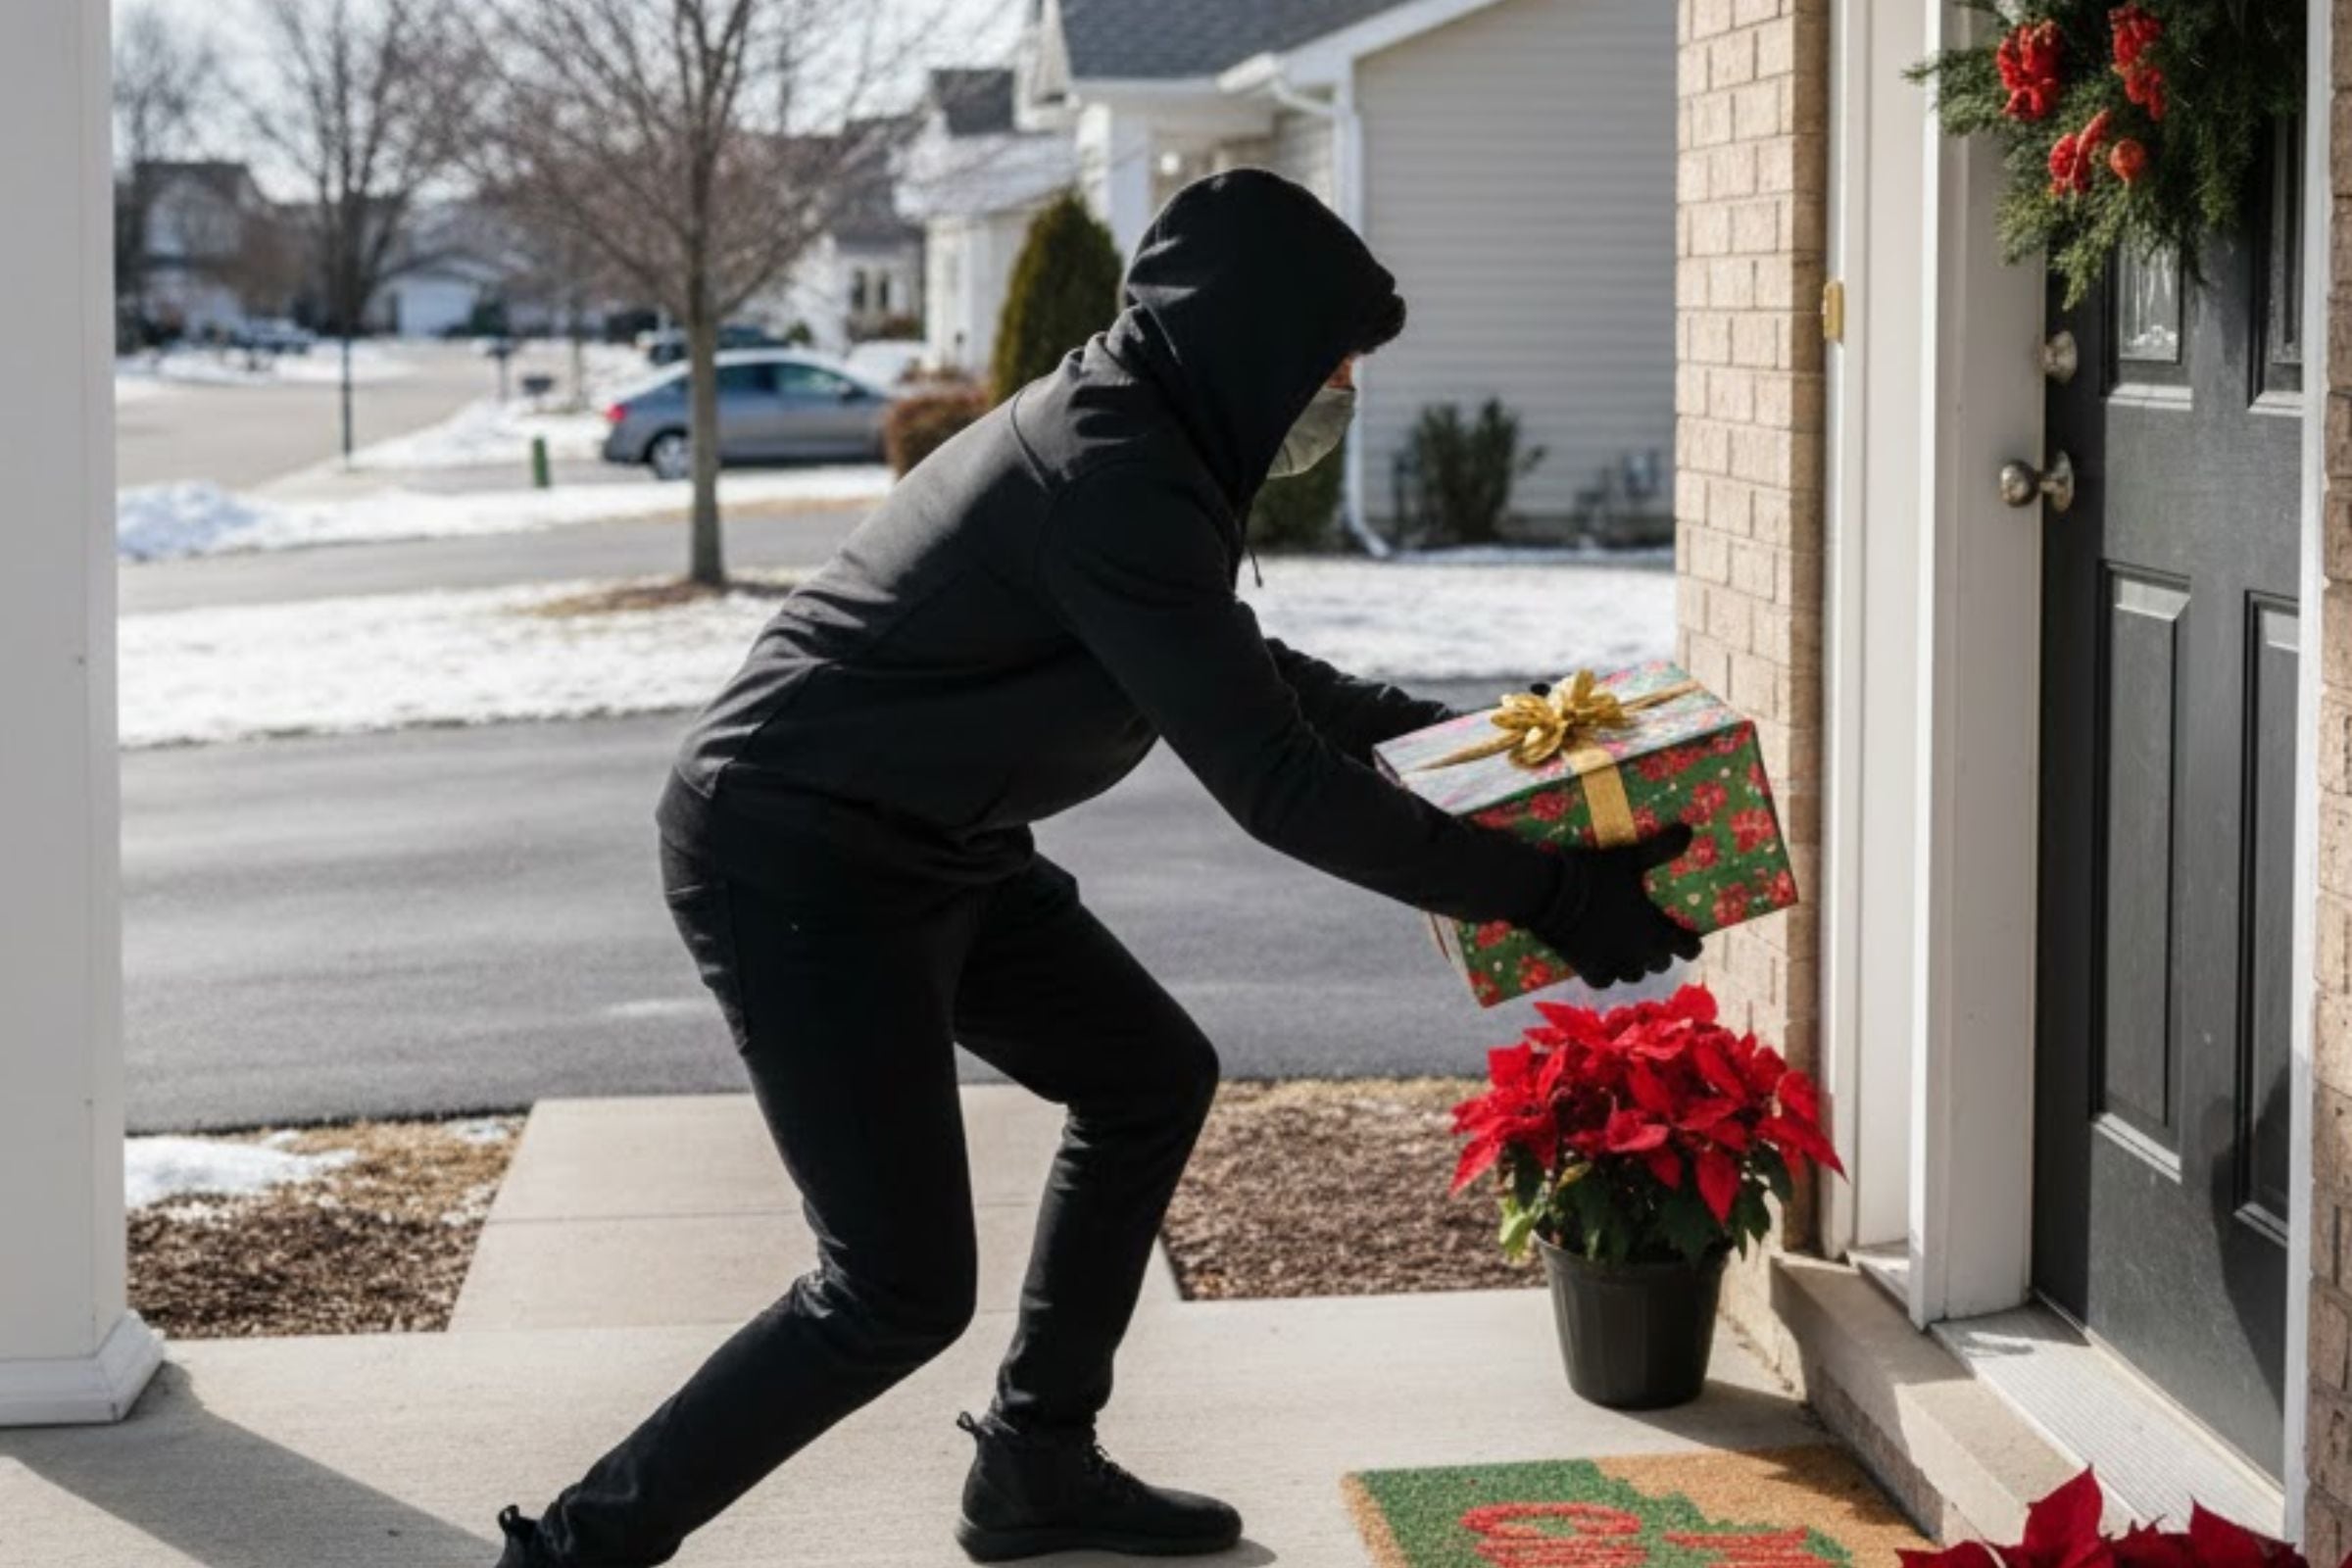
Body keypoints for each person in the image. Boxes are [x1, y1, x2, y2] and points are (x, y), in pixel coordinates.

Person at [492, 168, 1697, 1568]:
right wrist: (1549, 897)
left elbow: (1249, 672)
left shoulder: (1153, 441)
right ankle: (573, 1553)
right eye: (1333, 363)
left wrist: (1474, 741)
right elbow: (1276, 784)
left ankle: (1036, 1465)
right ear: (1256, 346)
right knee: (892, 1288)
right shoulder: (1112, 472)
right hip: (796, 851)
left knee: (1144, 1076)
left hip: (933, 837)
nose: (1343, 393)